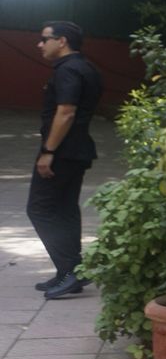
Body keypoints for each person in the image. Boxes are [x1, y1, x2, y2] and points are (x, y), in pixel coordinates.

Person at [29, 20, 102, 300]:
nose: (40, 44)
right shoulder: (86, 67)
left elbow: (66, 113)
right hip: (77, 150)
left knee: (40, 209)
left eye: (44, 38)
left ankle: (70, 271)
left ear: (62, 42)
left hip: (62, 152)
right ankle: (70, 271)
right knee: (65, 209)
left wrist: (48, 152)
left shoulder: (68, 70)